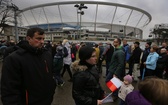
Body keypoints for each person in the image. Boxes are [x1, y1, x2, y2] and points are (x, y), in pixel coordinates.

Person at [1, 28, 56, 105]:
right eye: (38, 38)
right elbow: (9, 90)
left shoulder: (46, 54)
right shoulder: (14, 59)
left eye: (43, 39)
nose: (42, 42)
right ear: (28, 38)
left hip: (46, 101)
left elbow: (51, 74)